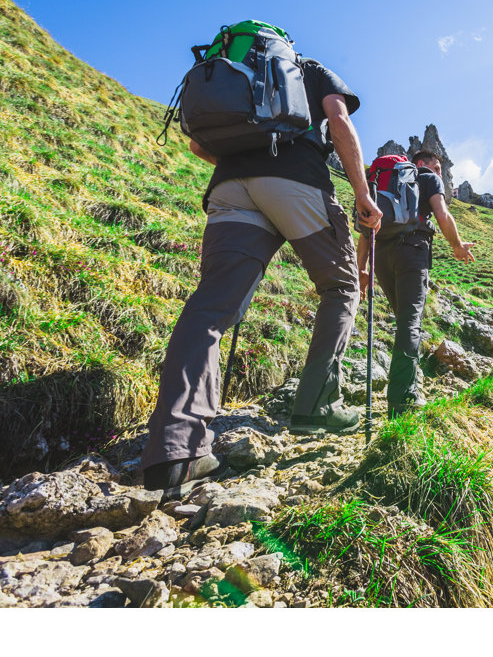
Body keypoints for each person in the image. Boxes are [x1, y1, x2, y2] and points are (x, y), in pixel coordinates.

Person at [141, 54, 382, 497]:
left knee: (211, 306)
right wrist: (362, 193)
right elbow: (338, 116)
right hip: (297, 181)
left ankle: (175, 451)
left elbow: (197, 145)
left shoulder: (231, 72)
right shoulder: (310, 69)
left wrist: (247, 161)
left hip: (229, 186)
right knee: (342, 286)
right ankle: (317, 406)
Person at [358, 150, 475, 416]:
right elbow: (442, 214)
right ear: (419, 164)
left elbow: (366, 229)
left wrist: (361, 269)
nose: (438, 171)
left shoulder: (379, 182)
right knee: (410, 322)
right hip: (412, 251)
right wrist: (457, 245)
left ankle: (408, 381)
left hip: (383, 256)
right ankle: (403, 399)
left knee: (403, 320)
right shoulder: (427, 179)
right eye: (435, 166)